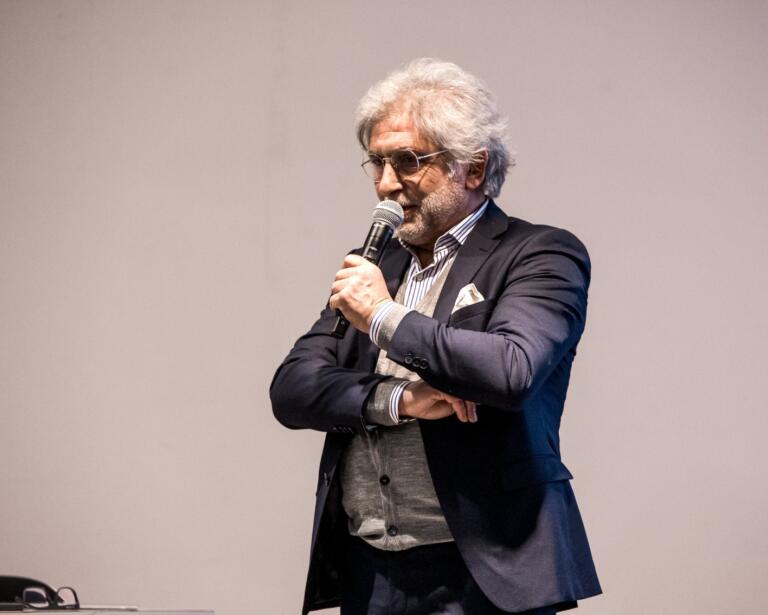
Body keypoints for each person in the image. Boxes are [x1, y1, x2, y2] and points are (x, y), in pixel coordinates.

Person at [270, 58, 601, 615]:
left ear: (473, 168)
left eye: (408, 161)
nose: (385, 184)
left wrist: (382, 316)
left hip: (488, 571)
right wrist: (401, 399)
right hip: (369, 570)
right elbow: (293, 388)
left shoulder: (540, 253)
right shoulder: (377, 265)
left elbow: (511, 368)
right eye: (377, 162)